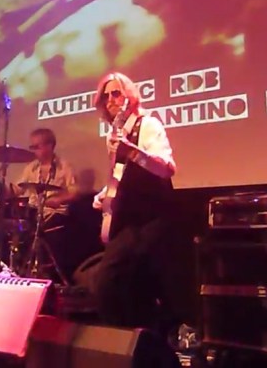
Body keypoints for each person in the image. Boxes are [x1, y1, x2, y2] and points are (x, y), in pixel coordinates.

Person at [90, 72, 177, 329]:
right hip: (128, 218)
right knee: (129, 288)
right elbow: (121, 176)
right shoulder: (113, 134)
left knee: (108, 282)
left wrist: (132, 151)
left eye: (116, 93)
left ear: (129, 96)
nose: (110, 100)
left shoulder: (148, 125)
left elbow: (167, 168)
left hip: (151, 216)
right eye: (105, 96)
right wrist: (105, 194)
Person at [12, 128, 79, 281]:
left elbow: (74, 192)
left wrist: (58, 199)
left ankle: (49, 273)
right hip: (33, 212)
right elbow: (18, 188)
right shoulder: (31, 168)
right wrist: (3, 190)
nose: (34, 151)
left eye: (37, 146)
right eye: (32, 147)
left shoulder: (64, 166)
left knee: (46, 231)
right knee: (18, 227)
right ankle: (21, 269)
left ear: (50, 146)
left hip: (55, 213)